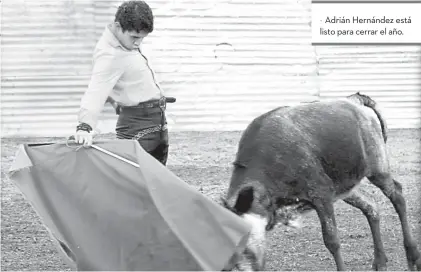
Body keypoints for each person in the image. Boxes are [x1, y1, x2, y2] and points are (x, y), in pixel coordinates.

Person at [74, 0, 170, 165]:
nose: (138, 43)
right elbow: (96, 90)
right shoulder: (110, 54)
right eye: (135, 37)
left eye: (142, 38)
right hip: (137, 125)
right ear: (118, 26)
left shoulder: (125, 43)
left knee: (155, 180)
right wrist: (85, 125)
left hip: (156, 120)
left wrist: (115, 98)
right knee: (139, 182)